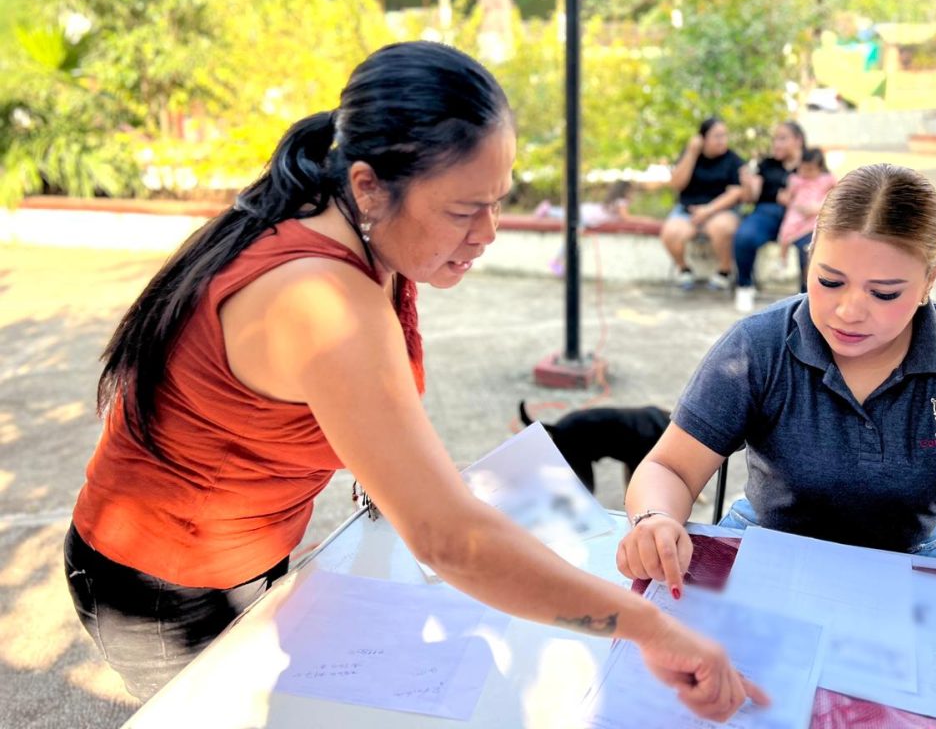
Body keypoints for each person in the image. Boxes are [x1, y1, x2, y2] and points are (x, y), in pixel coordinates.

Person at [63, 41, 768, 719]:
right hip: (167, 582)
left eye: (497, 201)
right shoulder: (322, 298)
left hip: (244, 552)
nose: (488, 231)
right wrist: (649, 627)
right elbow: (449, 541)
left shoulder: (359, 229)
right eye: (463, 210)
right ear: (367, 186)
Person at [617, 163, 936, 601]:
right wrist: (655, 520)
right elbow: (670, 468)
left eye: (884, 293)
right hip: (769, 545)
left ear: (930, 279)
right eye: (830, 281)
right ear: (811, 253)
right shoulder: (759, 346)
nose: (849, 312)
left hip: (910, 558)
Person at [660, 117, 747, 291]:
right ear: (703, 138)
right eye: (717, 136)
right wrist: (691, 153)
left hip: (720, 211)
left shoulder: (732, 160)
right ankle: (684, 269)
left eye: (725, 136)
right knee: (670, 232)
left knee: (722, 228)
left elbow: (736, 192)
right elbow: (676, 184)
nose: (723, 141)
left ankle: (724, 271)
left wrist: (708, 210)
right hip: (688, 212)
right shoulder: (690, 155)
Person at [732, 121, 805, 313]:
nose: (776, 144)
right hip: (768, 213)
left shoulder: (811, 163)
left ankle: (807, 297)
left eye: (783, 139)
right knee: (745, 236)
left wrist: (795, 200)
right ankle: (744, 285)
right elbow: (751, 197)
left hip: (801, 217)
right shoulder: (767, 164)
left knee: (810, 247)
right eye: (775, 139)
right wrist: (747, 183)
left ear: (798, 140)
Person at [536, 180, 632, 276]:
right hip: (587, 218)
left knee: (570, 228)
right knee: (572, 234)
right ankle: (549, 210)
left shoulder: (614, 201)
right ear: (626, 191)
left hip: (588, 216)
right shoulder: (621, 202)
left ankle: (549, 210)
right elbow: (626, 218)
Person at [776, 147, 836, 292]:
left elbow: (836, 196)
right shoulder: (796, 180)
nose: (806, 173)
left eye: (810, 170)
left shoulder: (827, 180)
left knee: (810, 251)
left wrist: (818, 207)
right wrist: (784, 198)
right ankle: (782, 261)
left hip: (816, 217)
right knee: (786, 233)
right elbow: (787, 196)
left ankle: (809, 285)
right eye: (803, 169)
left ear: (819, 168)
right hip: (797, 214)